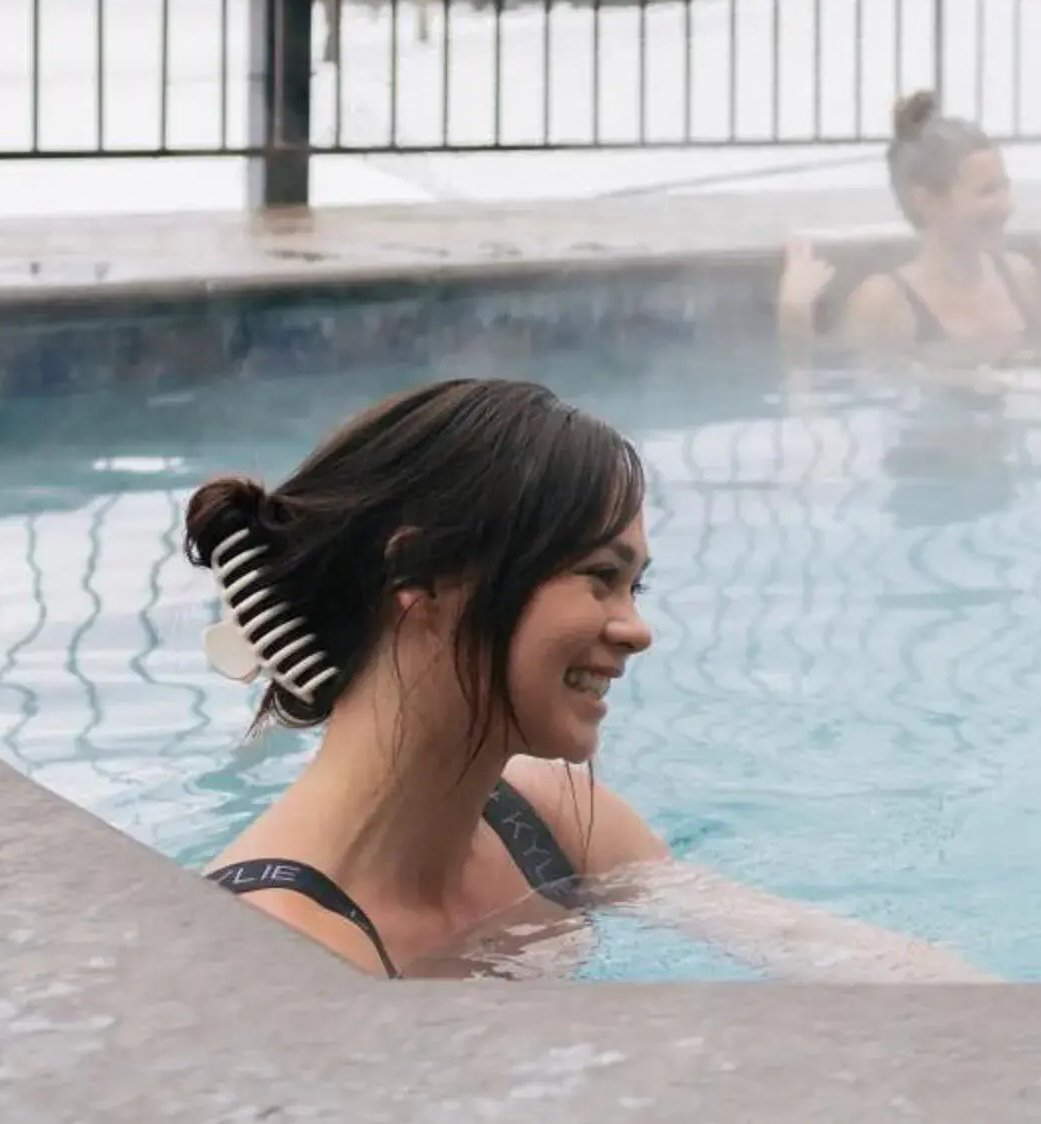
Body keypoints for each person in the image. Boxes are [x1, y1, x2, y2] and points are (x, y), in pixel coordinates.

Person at [192, 377, 980, 981]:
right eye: (600, 577)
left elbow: (805, 946)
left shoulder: (546, 822)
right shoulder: (278, 946)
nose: (636, 629)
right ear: (421, 576)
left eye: (636, 587)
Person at [777, 93, 1041, 365]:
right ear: (928, 201)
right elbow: (829, 400)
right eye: (987, 191)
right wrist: (794, 320)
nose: (1006, 206)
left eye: (1005, 187)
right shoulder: (884, 301)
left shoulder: (1018, 278)